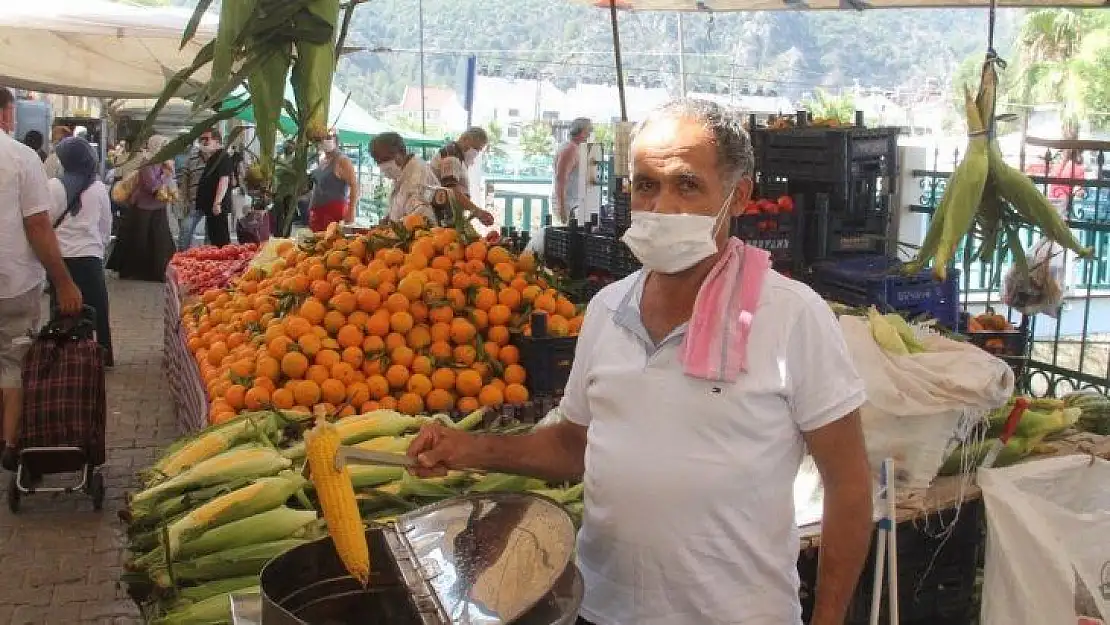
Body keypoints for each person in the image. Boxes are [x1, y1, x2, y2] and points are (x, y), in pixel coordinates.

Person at [406, 99, 874, 625]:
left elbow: (850, 483)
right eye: (646, 185)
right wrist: (471, 448)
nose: (662, 206)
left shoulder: (791, 316)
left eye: (688, 186)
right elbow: (572, 445)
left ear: (739, 197)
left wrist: (829, 618)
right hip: (600, 610)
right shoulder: (607, 310)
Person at [0, 87, 83, 470]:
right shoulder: (19, 158)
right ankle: (9, 443)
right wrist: (64, 280)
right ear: (6, 114)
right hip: (11, 282)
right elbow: (37, 224)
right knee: (13, 362)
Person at [46, 137, 114, 366]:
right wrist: (99, 246)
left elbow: (46, 222)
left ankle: (61, 354)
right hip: (90, 256)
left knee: (61, 306)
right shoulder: (98, 187)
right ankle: (101, 354)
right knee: (96, 307)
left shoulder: (54, 186)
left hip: (61, 257)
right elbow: (106, 224)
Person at [106, 135, 177, 281]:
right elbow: (151, 185)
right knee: (140, 239)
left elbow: (170, 181)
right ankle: (136, 271)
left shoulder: (165, 162)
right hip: (143, 206)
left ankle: (158, 272)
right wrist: (165, 175)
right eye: (163, 146)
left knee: (160, 240)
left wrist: (168, 173)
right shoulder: (147, 161)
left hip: (159, 206)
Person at [370, 132, 440, 225]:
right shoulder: (400, 174)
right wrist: (388, 219)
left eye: (386, 159)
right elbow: (401, 206)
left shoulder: (417, 175)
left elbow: (420, 216)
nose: (383, 165)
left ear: (401, 152)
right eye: (378, 162)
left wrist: (394, 226)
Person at [308, 130, 359, 232]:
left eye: (328, 138)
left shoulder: (342, 160)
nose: (324, 141)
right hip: (317, 211)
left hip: (334, 211)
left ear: (336, 140)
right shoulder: (322, 160)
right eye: (321, 139)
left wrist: (351, 211)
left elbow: (354, 186)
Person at [196, 128, 234, 247]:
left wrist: (217, 202)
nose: (203, 142)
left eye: (207, 138)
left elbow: (224, 180)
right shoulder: (213, 157)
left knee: (221, 239)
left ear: (217, 140)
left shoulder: (222, 157)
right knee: (214, 237)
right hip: (211, 207)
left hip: (217, 207)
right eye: (201, 139)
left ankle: (226, 262)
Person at [551, 117, 592, 225]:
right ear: (582, 131)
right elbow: (560, 179)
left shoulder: (576, 148)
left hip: (574, 205)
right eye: (589, 130)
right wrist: (562, 209)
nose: (589, 133)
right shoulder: (570, 149)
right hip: (568, 205)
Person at [430, 126, 488, 197]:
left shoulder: (458, 155)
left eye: (479, 150)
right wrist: (476, 208)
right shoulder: (452, 156)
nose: (476, 152)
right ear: (465, 139)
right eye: (476, 148)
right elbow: (452, 191)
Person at [175, 141, 208, 250]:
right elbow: (185, 179)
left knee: (212, 233)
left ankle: (210, 257)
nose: (205, 142)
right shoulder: (191, 157)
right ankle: (181, 255)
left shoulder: (219, 157)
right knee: (186, 228)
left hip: (213, 201)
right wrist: (183, 199)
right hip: (195, 200)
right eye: (203, 139)